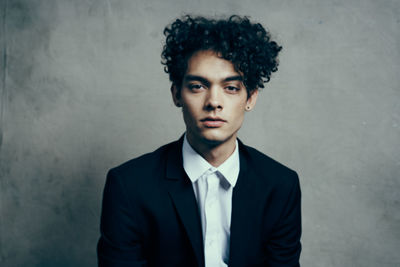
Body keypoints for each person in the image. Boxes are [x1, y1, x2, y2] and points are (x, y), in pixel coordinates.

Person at [97, 15, 301, 267]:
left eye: (231, 88)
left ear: (251, 98)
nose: (214, 102)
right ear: (176, 94)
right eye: (197, 86)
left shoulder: (280, 185)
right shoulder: (129, 185)